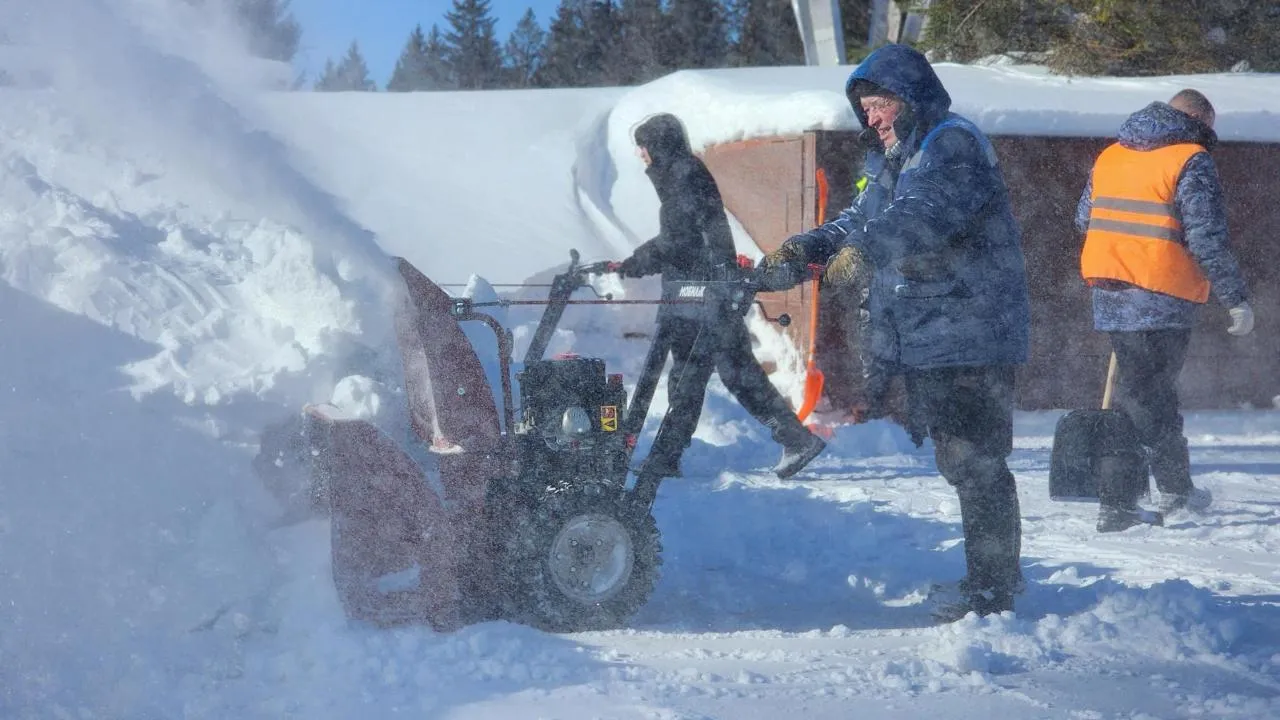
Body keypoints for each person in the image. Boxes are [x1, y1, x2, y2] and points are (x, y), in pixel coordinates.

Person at [758, 44, 1031, 620]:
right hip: (937, 329)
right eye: (865, 108)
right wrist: (812, 245)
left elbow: (921, 218)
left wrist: (863, 253)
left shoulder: (950, 143)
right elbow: (863, 217)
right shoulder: (894, 157)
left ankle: (994, 592)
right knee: (962, 460)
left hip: (972, 328)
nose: (872, 118)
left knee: (975, 461)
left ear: (910, 98)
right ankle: (991, 582)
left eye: (880, 103)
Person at [615, 112, 828, 508]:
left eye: (644, 147)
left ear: (658, 146)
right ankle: (794, 440)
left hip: (705, 295)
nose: (641, 155)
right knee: (728, 372)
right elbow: (684, 236)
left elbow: (678, 240)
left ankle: (666, 457)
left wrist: (638, 261)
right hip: (701, 293)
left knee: (695, 377)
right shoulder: (682, 174)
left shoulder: (682, 176)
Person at [1076, 89, 1254, 531]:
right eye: (1209, 129)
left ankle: (1165, 491)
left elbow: (1084, 218)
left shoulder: (1112, 155)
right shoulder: (1190, 159)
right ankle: (1127, 502)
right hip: (1161, 295)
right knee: (1145, 398)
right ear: (1197, 120)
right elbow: (1205, 236)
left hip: (1111, 291)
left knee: (1144, 394)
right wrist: (1235, 298)